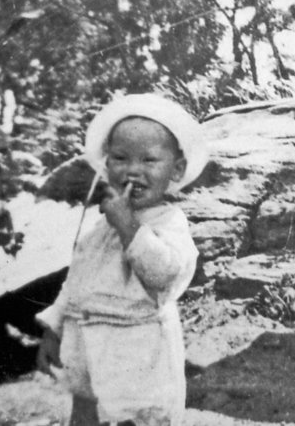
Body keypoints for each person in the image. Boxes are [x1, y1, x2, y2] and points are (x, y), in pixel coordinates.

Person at [35, 93, 206, 426]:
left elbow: (165, 276)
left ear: (177, 169)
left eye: (149, 160)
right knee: (84, 412)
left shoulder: (168, 222)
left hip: (138, 352)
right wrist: (54, 330)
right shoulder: (102, 227)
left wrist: (129, 226)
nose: (133, 171)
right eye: (121, 158)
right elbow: (78, 280)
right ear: (106, 163)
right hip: (87, 345)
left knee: (135, 416)